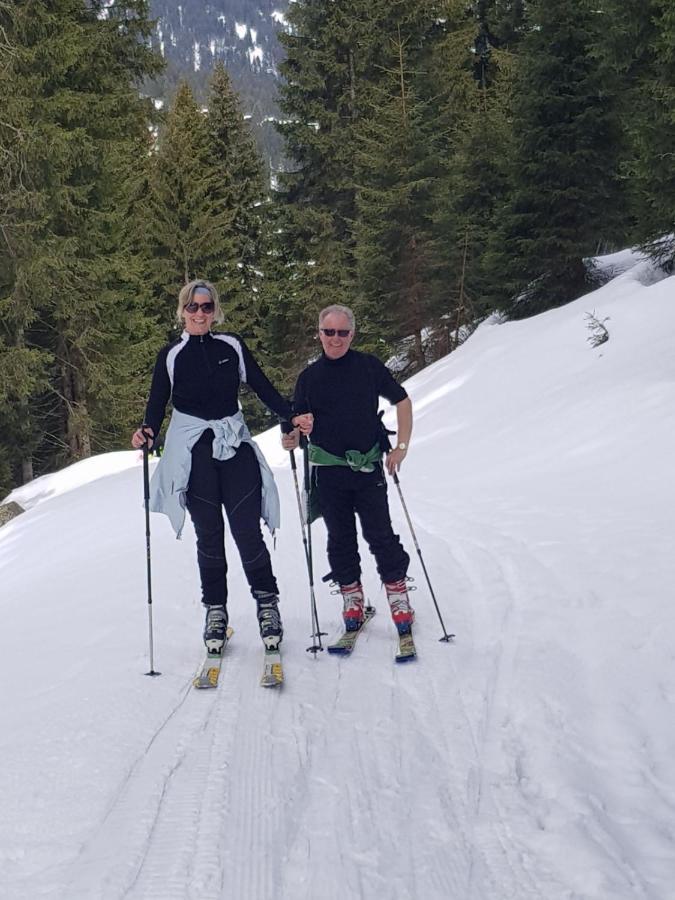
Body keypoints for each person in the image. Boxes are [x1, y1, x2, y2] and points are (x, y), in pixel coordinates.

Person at [131, 279, 312, 655]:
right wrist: (147, 432)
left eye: (207, 307)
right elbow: (156, 403)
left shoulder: (232, 346)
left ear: (215, 311)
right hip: (193, 452)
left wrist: (291, 415)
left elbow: (261, 386)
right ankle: (215, 610)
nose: (200, 313)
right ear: (182, 310)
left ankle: (267, 604)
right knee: (209, 535)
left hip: (233, 444)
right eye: (193, 307)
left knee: (247, 531)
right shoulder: (170, 355)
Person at [282, 304, 414, 636]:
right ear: (319, 333)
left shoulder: (368, 367)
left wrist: (401, 448)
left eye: (342, 332)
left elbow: (402, 400)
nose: (335, 339)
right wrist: (293, 435)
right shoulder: (309, 378)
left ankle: (398, 597)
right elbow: (295, 425)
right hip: (328, 473)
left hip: (368, 467)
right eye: (329, 332)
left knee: (380, 534)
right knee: (340, 539)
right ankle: (351, 597)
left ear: (352, 334)